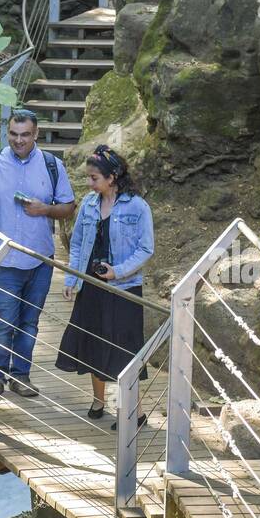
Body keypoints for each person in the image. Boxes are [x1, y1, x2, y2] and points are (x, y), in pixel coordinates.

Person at [0, 110, 76, 400]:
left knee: (29, 321)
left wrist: (45, 209)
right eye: (14, 134)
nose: (19, 140)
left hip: (40, 258)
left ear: (36, 134)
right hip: (3, 257)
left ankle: (21, 375)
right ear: (8, 133)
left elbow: (68, 206)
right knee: (4, 320)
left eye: (25, 135)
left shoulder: (52, 165)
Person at [54, 145, 154, 431]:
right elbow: (77, 244)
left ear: (112, 177)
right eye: (88, 177)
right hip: (91, 284)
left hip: (124, 287)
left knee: (125, 347)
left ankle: (134, 412)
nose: (89, 183)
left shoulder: (137, 206)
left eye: (94, 177)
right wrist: (72, 280)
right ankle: (99, 400)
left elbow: (146, 249)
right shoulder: (88, 203)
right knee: (92, 341)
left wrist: (117, 271)